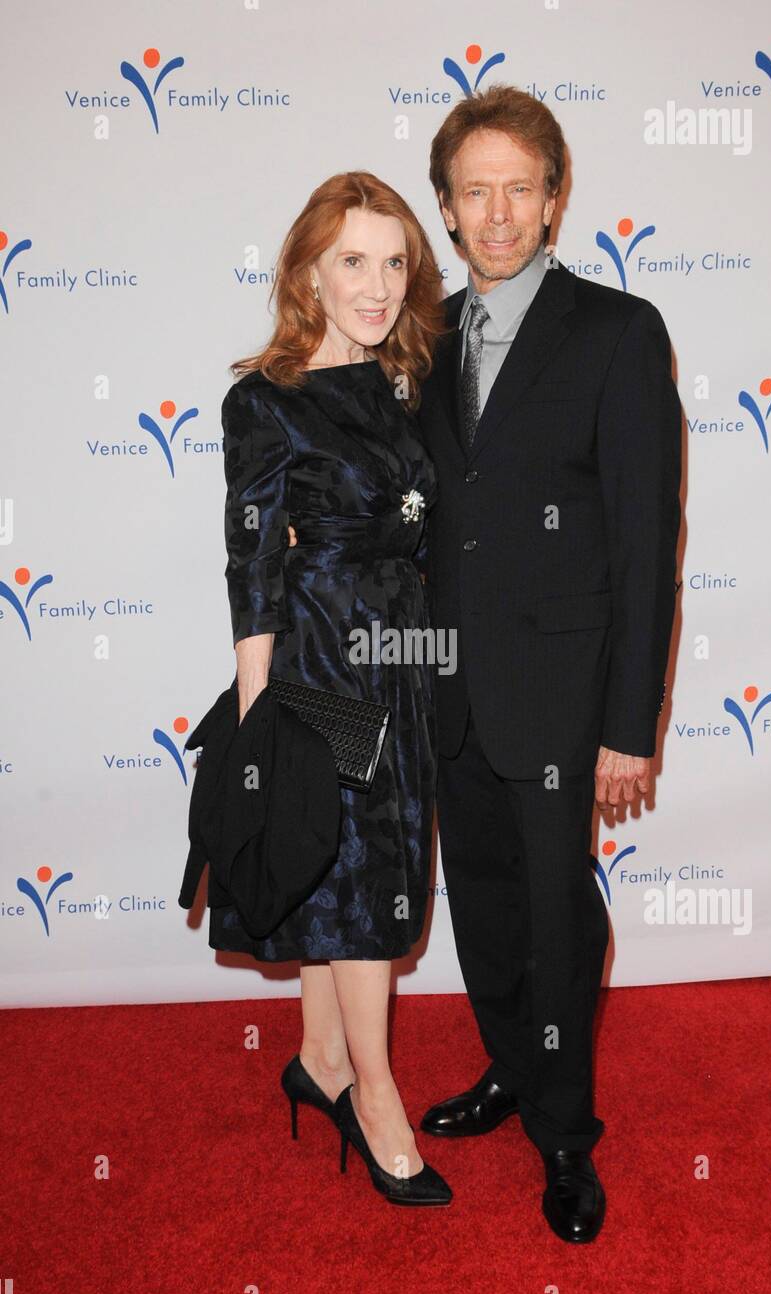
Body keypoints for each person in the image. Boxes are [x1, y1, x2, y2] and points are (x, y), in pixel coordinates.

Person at [416, 86, 682, 1242]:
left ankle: (567, 1138)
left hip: (564, 702)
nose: (499, 211)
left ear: (556, 197)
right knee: (480, 903)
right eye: (475, 191)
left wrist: (632, 725)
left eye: (519, 187)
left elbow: (645, 542)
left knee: (560, 916)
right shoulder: (416, 336)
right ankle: (515, 1066)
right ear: (447, 207)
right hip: (446, 693)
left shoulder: (618, 332)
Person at [215, 171, 452, 1206]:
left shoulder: (403, 382)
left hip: (403, 654)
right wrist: (259, 718)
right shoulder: (267, 401)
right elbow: (253, 565)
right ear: (310, 269)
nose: (378, 283)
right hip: (321, 665)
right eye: (353, 259)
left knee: (353, 864)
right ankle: (375, 1092)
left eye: (395, 260)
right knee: (360, 884)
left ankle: (316, 1057)